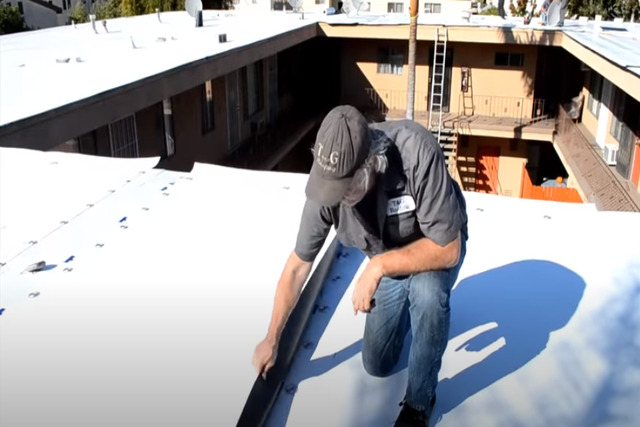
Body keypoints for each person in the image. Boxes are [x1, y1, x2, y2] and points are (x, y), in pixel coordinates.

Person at [252, 105, 469, 426]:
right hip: (389, 259)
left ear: (371, 164)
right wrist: (272, 337)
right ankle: (415, 312)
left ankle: (420, 404)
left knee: (427, 294)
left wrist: (379, 265)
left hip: (433, 243)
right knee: (377, 364)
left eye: (344, 189)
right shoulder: (327, 184)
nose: (335, 198)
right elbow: (297, 267)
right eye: (330, 189)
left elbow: (449, 248)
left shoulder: (416, 151)